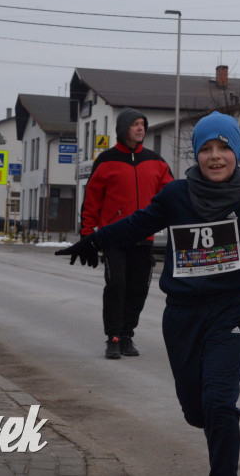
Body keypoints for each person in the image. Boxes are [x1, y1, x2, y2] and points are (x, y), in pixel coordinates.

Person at [56, 112, 240, 476]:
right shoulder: (176, 196)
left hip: (229, 312)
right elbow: (135, 225)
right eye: (206, 148)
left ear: (236, 153)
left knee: (219, 402)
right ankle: (212, 426)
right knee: (197, 411)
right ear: (197, 154)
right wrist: (93, 240)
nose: (215, 156)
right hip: (181, 316)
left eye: (223, 148)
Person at [80, 107, 174, 359]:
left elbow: (172, 197)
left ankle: (127, 335)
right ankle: (113, 337)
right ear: (123, 129)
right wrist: (87, 234)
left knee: (138, 288)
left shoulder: (157, 162)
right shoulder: (106, 161)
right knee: (116, 285)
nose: (141, 128)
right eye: (135, 124)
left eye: (143, 124)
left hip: (144, 238)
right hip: (114, 237)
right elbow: (91, 201)